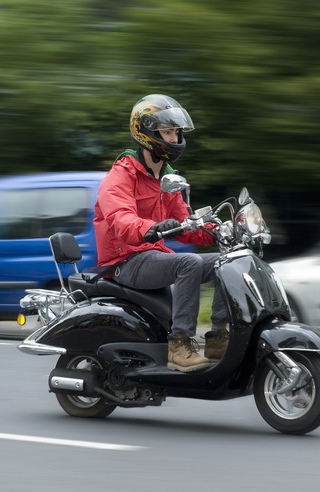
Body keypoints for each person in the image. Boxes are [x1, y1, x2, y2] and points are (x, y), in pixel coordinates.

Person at [93, 94, 229, 372]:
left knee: (228, 261)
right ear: (146, 134)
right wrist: (151, 227)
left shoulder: (168, 177)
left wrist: (218, 231)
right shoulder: (120, 175)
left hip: (153, 256)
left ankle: (218, 337)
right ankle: (179, 345)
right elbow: (121, 220)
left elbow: (185, 225)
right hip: (124, 261)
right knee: (188, 263)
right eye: (167, 132)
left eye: (176, 132)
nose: (175, 138)